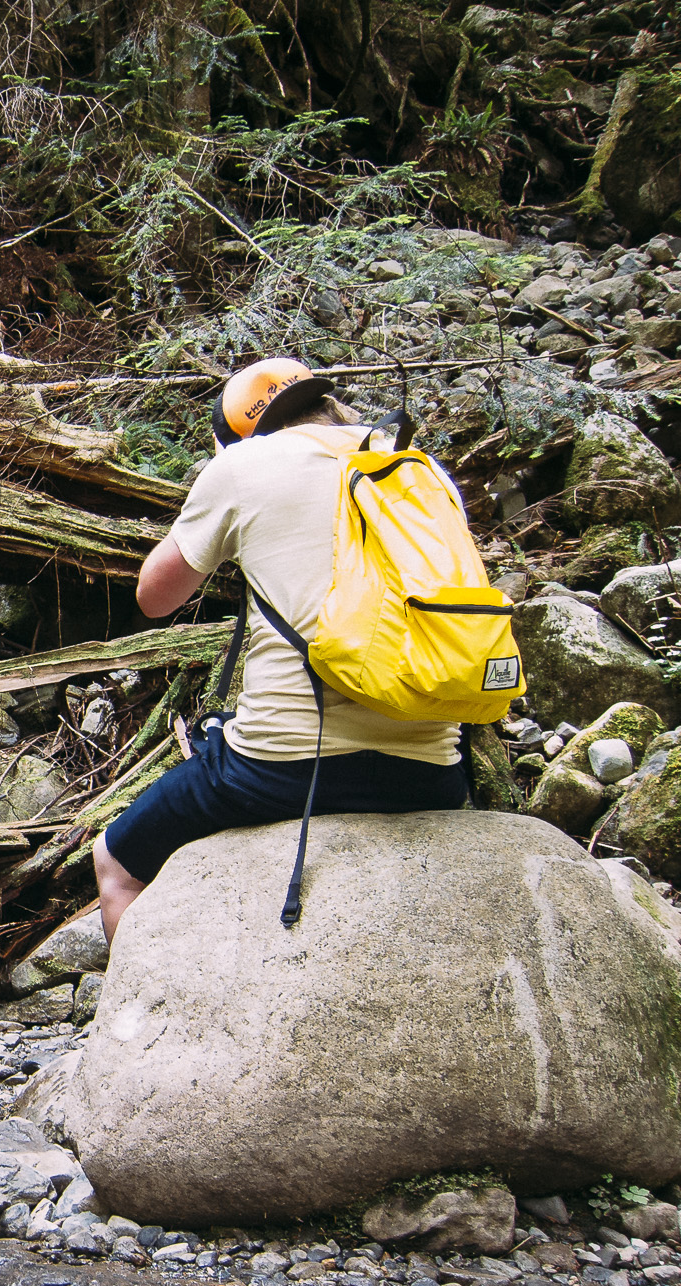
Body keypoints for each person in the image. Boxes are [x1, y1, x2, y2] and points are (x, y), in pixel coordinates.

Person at [92, 357, 471, 943]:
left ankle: (136, 996)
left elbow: (155, 598)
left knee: (115, 862)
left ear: (235, 436)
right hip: (431, 769)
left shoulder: (243, 466)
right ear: (327, 405)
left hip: (279, 766)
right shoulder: (416, 466)